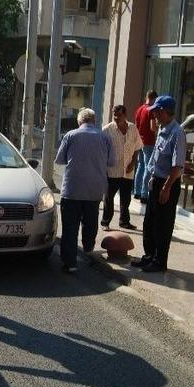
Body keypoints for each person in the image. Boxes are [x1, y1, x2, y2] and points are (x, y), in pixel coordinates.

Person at [54, 108, 113, 274]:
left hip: (72, 188)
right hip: (95, 189)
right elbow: (112, 161)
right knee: (91, 221)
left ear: (80, 121)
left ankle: (70, 263)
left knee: (70, 228)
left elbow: (59, 159)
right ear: (94, 121)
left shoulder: (71, 135)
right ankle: (88, 250)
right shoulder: (105, 137)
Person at [133, 95, 184, 273]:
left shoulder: (177, 133)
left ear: (163, 111)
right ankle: (149, 256)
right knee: (150, 222)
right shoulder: (162, 130)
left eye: (156, 112)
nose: (153, 115)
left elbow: (177, 166)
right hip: (157, 181)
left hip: (168, 183)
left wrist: (166, 188)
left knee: (163, 225)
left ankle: (160, 261)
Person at [101, 104, 143, 231]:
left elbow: (137, 147)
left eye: (119, 115)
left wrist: (133, 163)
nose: (116, 117)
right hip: (113, 170)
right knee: (109, 197)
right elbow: (101, 150)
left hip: (128, 171)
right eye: (115, 115)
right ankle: (105, 222)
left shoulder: (133, 128)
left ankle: (124, 222)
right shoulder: (106, 130)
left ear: (125, 115)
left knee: (126, 199)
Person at [133, 90, 158, 203]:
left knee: (140, 166)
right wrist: (160, 128)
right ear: (153, 98)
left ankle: (137, 192)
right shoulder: (151, 110)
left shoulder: (139, 109)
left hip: (140, 140)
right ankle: (144, 194)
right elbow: (153, 127)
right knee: (149, 167)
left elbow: (136, 125)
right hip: (149, 141)